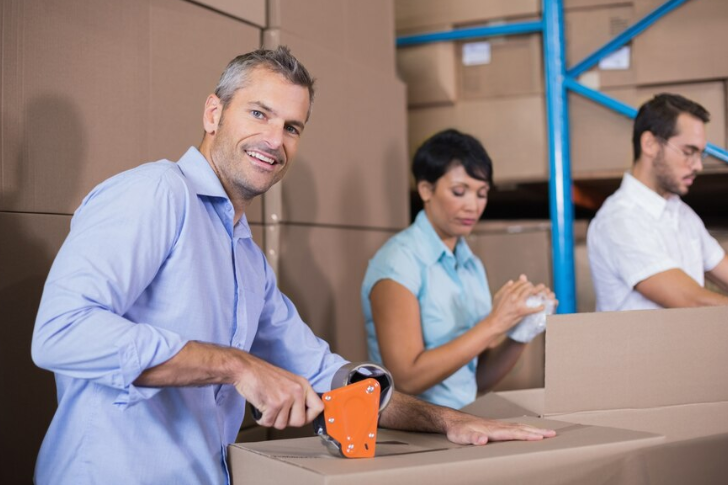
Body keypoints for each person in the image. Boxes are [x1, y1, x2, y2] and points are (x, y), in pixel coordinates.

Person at [31, 47, 555, 484]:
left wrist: (447, 421)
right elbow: (60, 333)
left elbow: (324, 372)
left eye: (292, 127)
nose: (275, 141)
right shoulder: (155, 193)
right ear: (213, 114)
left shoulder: (246, 257)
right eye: (258, 114)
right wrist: (238, 364)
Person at [361, 129, 555, 410]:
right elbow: (406, 379)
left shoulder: (470, 264)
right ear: (426, 189)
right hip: (407, 432)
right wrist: (495, 323)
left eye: (482, 193)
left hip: (460, 422)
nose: (473, 206)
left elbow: (477, 379)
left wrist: (519, 333)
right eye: (459, 192)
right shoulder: (399, 262)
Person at [587, 93, 728, 312]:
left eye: (700, 155)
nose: (698, 166)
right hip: (639, 347)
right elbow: (691, 300)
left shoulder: (683, 215)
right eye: (688, 152)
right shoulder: (620, 220)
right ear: (649, 144)